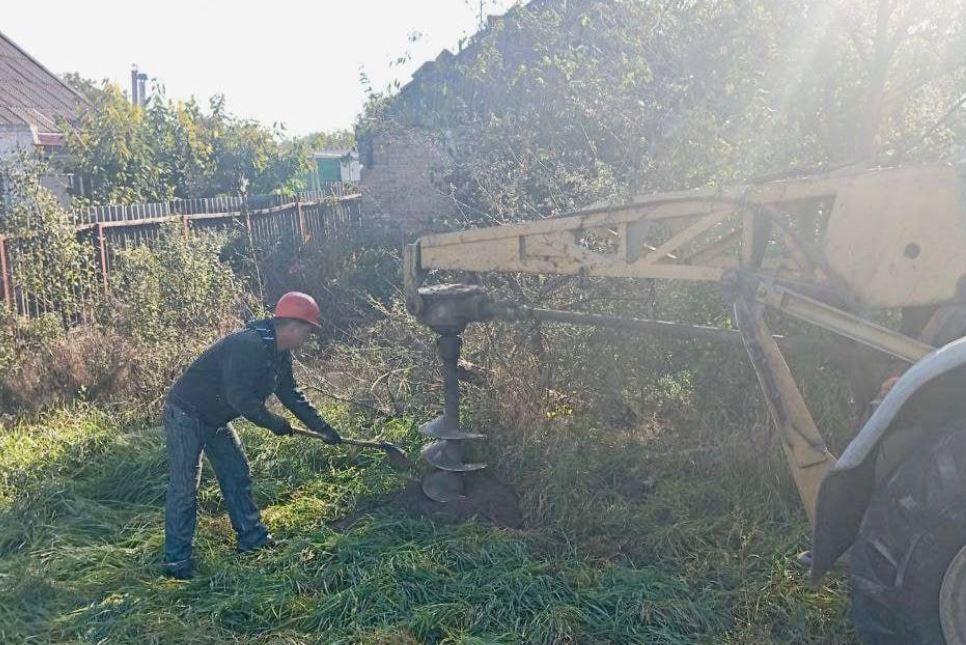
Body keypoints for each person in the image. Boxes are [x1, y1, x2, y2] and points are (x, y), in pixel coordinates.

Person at [161, 291, 340, 579]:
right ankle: (176, 563)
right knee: (184, 488)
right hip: (186, 414)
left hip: (215, 418)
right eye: (307, 331)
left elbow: (291, 394)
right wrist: (274, 423)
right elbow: (239, 398)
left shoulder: (279, 355)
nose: (307, 338)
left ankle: (252, 542)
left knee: (237, 474)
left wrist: (324, 428)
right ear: (292, 326)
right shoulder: (248, 346)